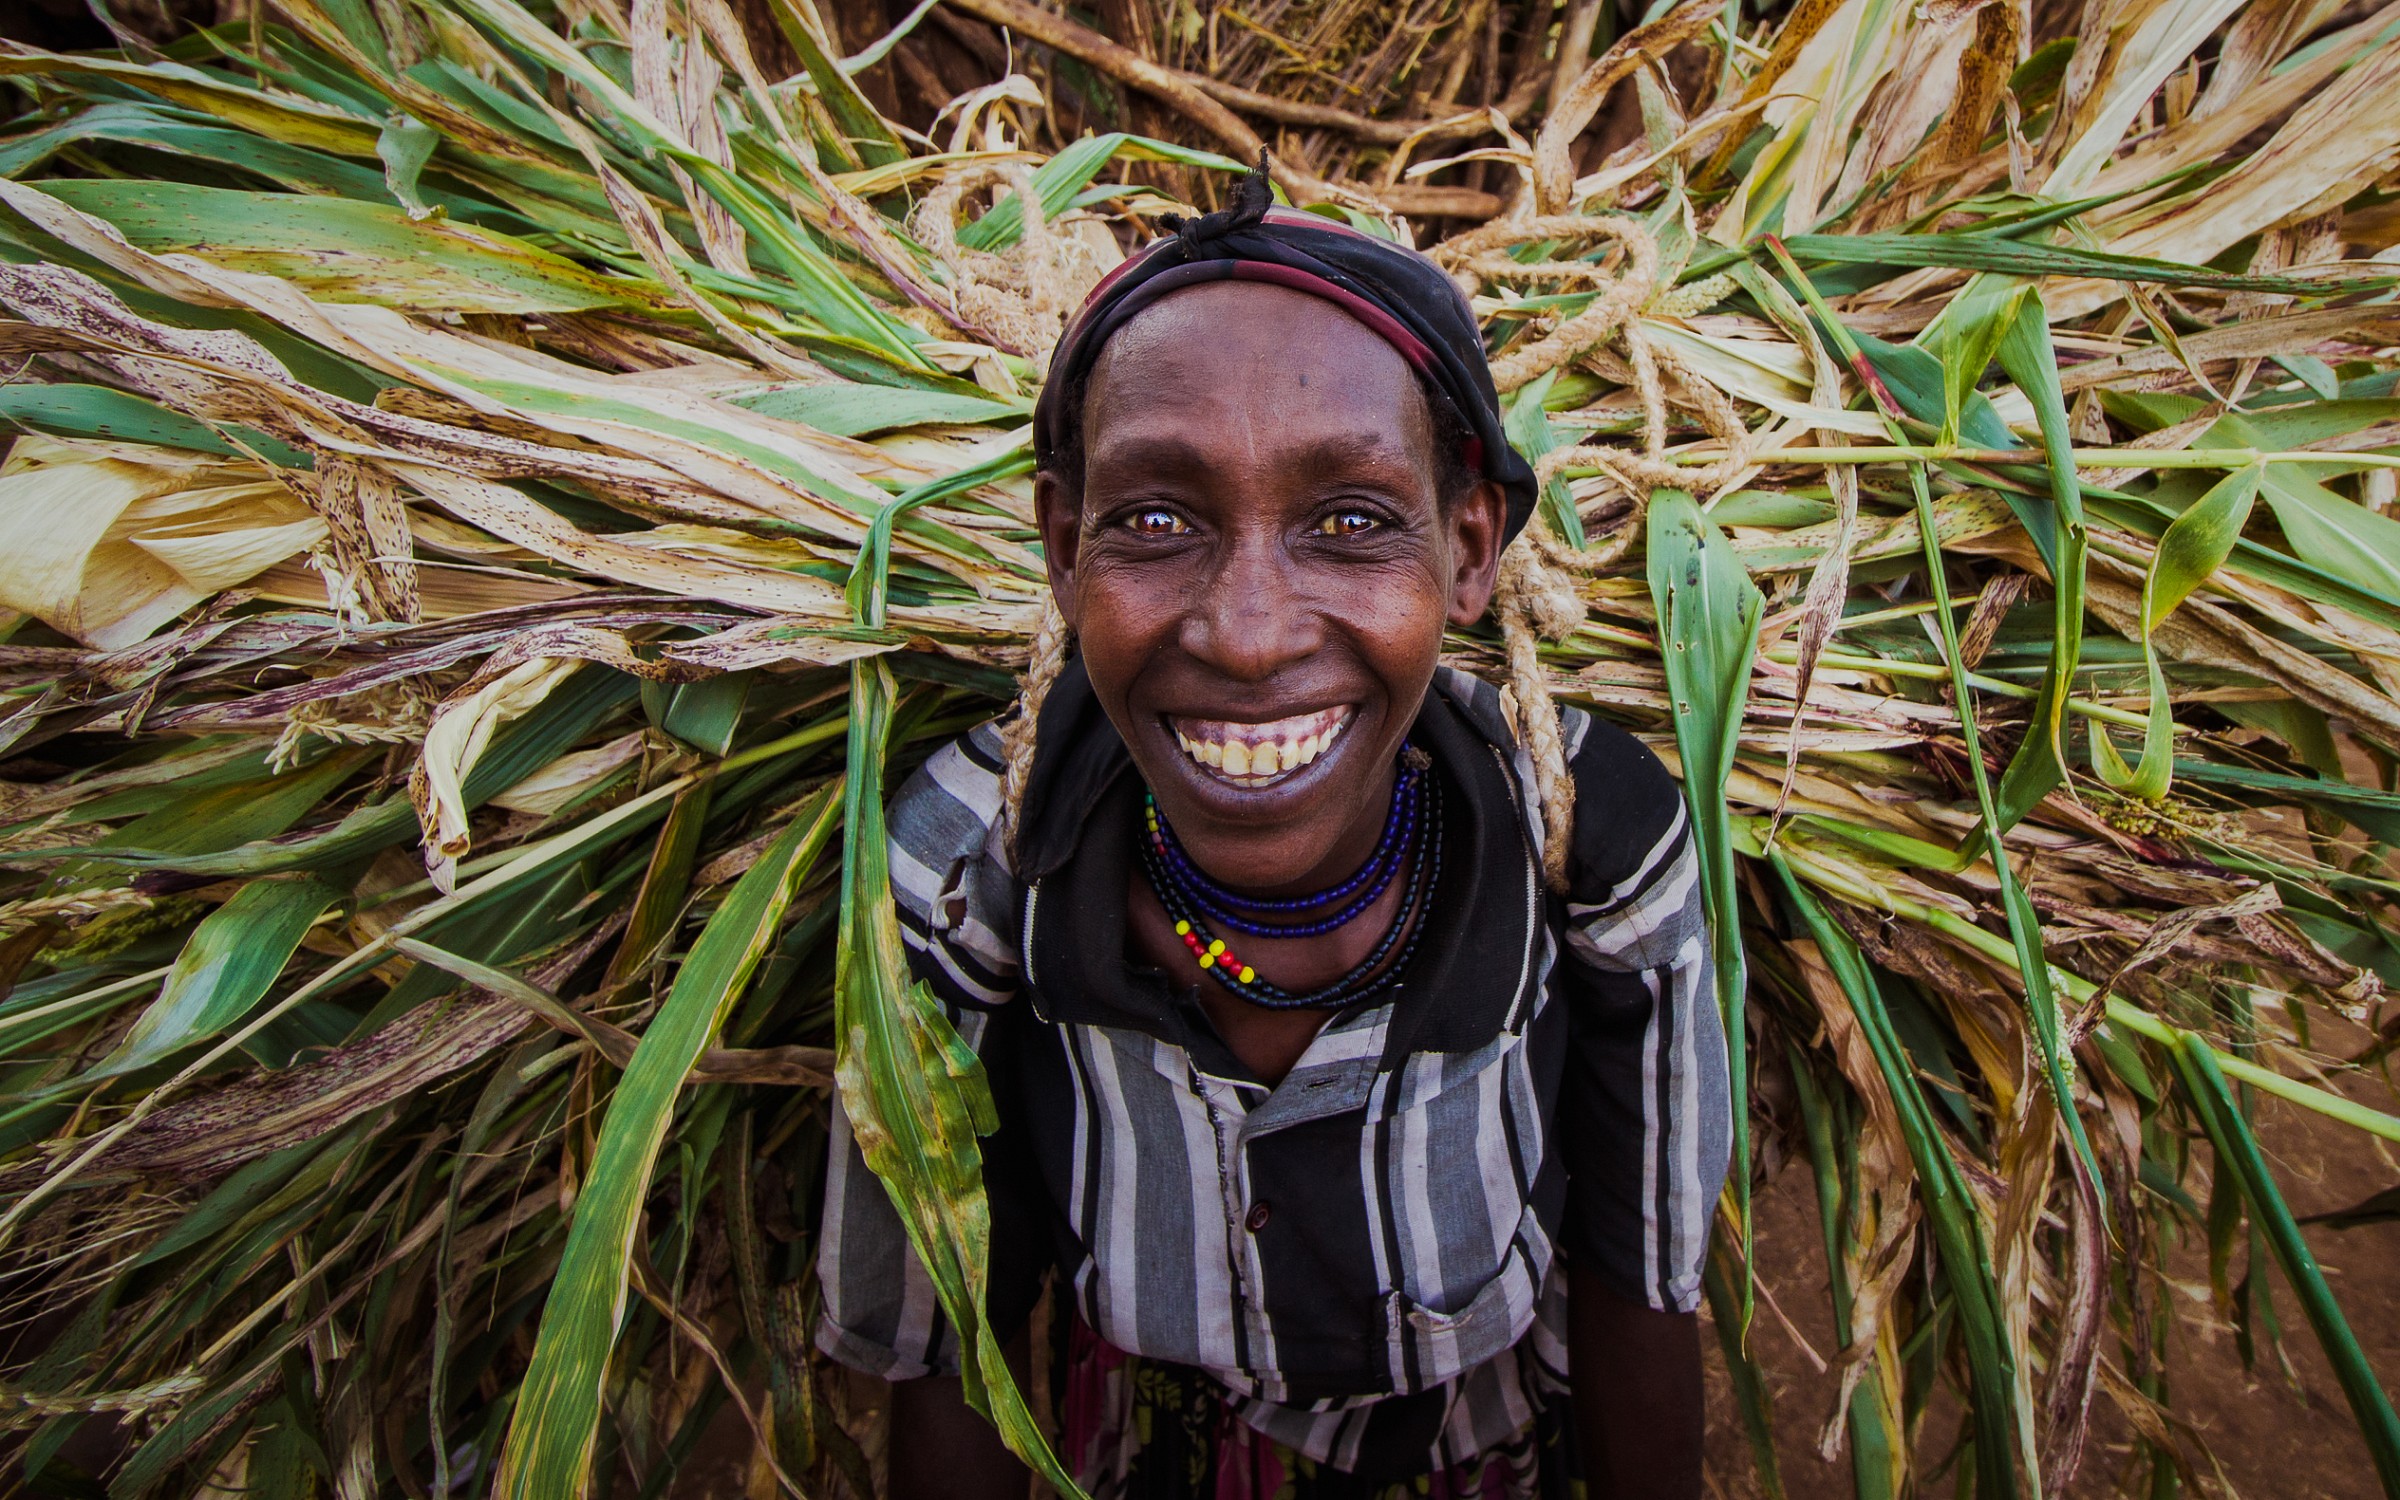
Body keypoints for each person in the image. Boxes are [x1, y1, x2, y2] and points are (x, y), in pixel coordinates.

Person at [815, 159, 1732, 1499]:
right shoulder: (964, 867)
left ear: (1471, 549)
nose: (1247, 635)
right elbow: (953, 1329)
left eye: (1352, 522)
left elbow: (1640, 1277)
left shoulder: (1590, 839)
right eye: (1155, 519)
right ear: (1065, 549)